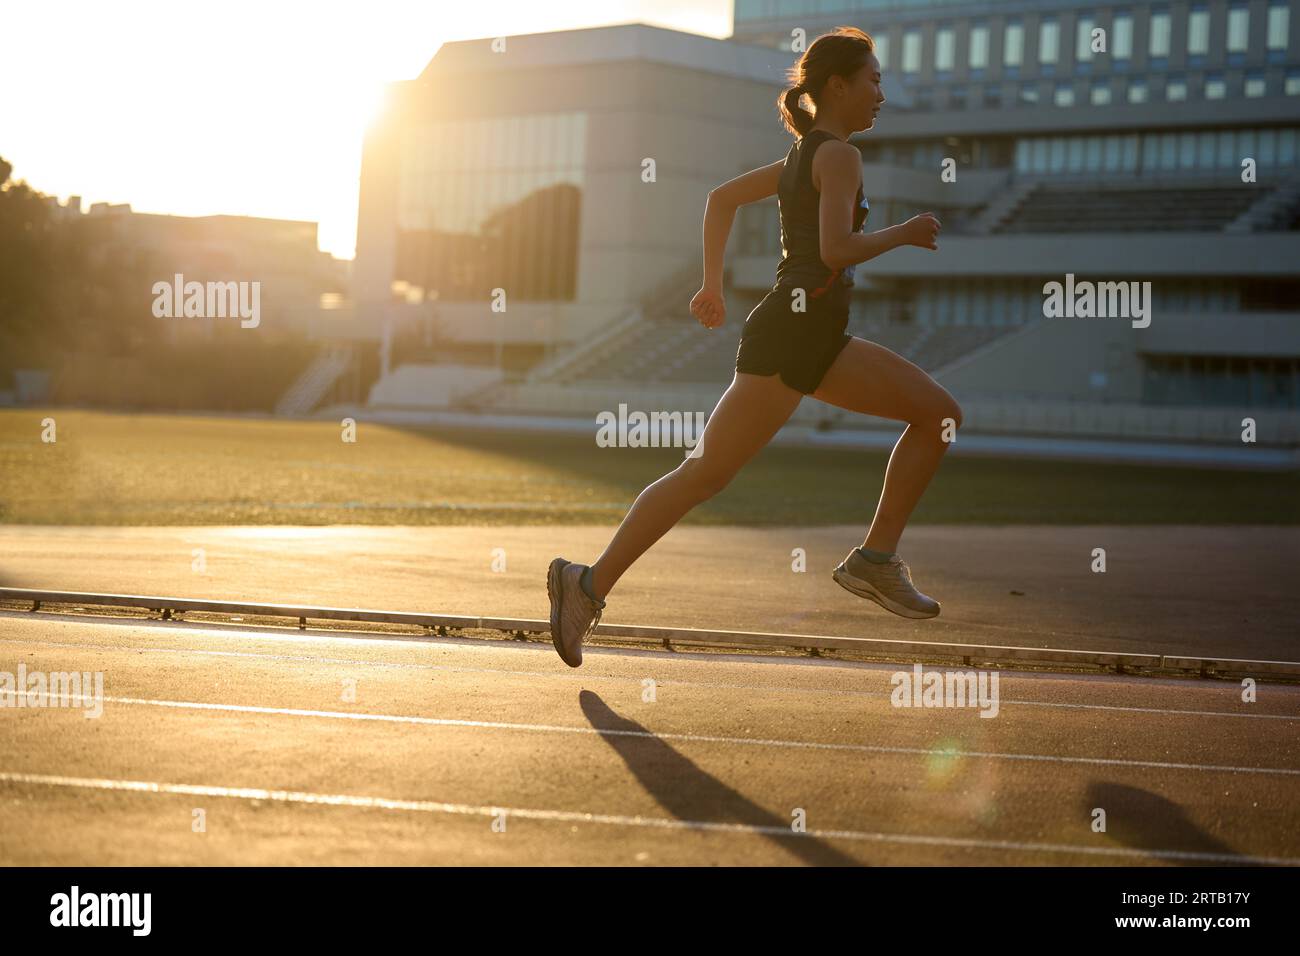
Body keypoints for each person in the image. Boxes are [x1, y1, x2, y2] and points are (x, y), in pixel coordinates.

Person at [547, 26, 961, 668]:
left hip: (813, 336)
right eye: (874, 80)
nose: (882, 93)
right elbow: (834, 252)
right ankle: (586, 586)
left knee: (936, 415)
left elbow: (719, 200)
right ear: (837, 85)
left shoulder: (806, 157)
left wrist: (712, 285)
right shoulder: (837, 158)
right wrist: (901, 234)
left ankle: (876, 560)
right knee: (703, 474)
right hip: (794, 336)